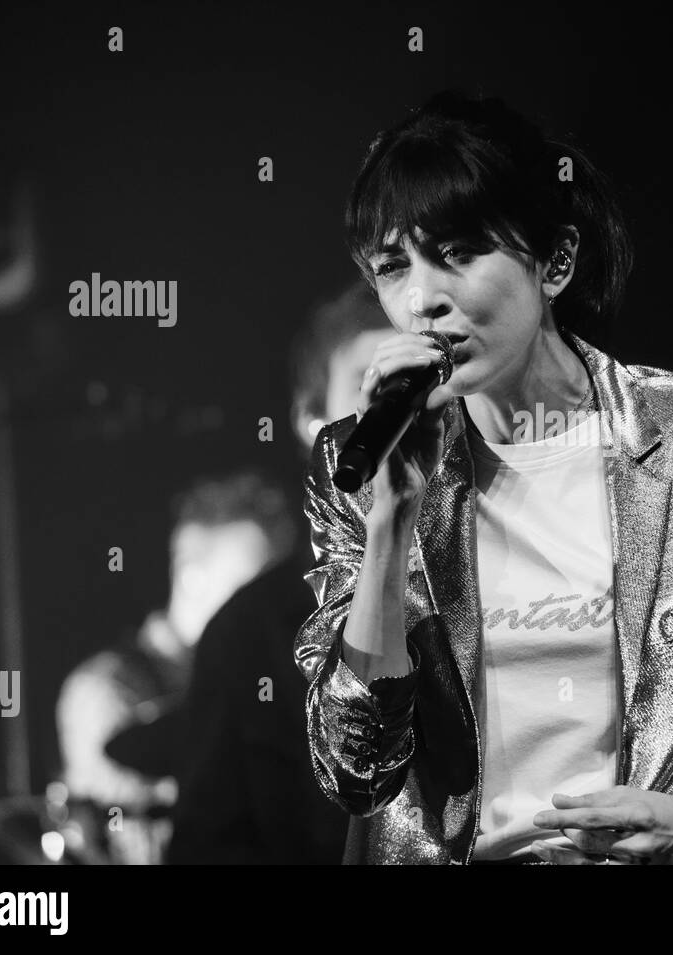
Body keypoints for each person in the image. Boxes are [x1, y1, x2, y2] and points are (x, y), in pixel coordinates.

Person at [294, 89, 673, 865]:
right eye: (393, 266)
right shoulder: (361, 463)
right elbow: (355, 768)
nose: (422, 297)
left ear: (556, 262)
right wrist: (391, 519)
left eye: (458, 253)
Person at [167, 284, 392, 864]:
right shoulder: (247, 634)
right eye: (375, 386)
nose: (402, 410)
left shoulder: (499, 578)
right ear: (311, 421)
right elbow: (209, 846)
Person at [55, 471, 294, 864]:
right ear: (192, 580)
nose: (265, 612)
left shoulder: (252, 680)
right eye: (249, 592)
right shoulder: (105, 688)